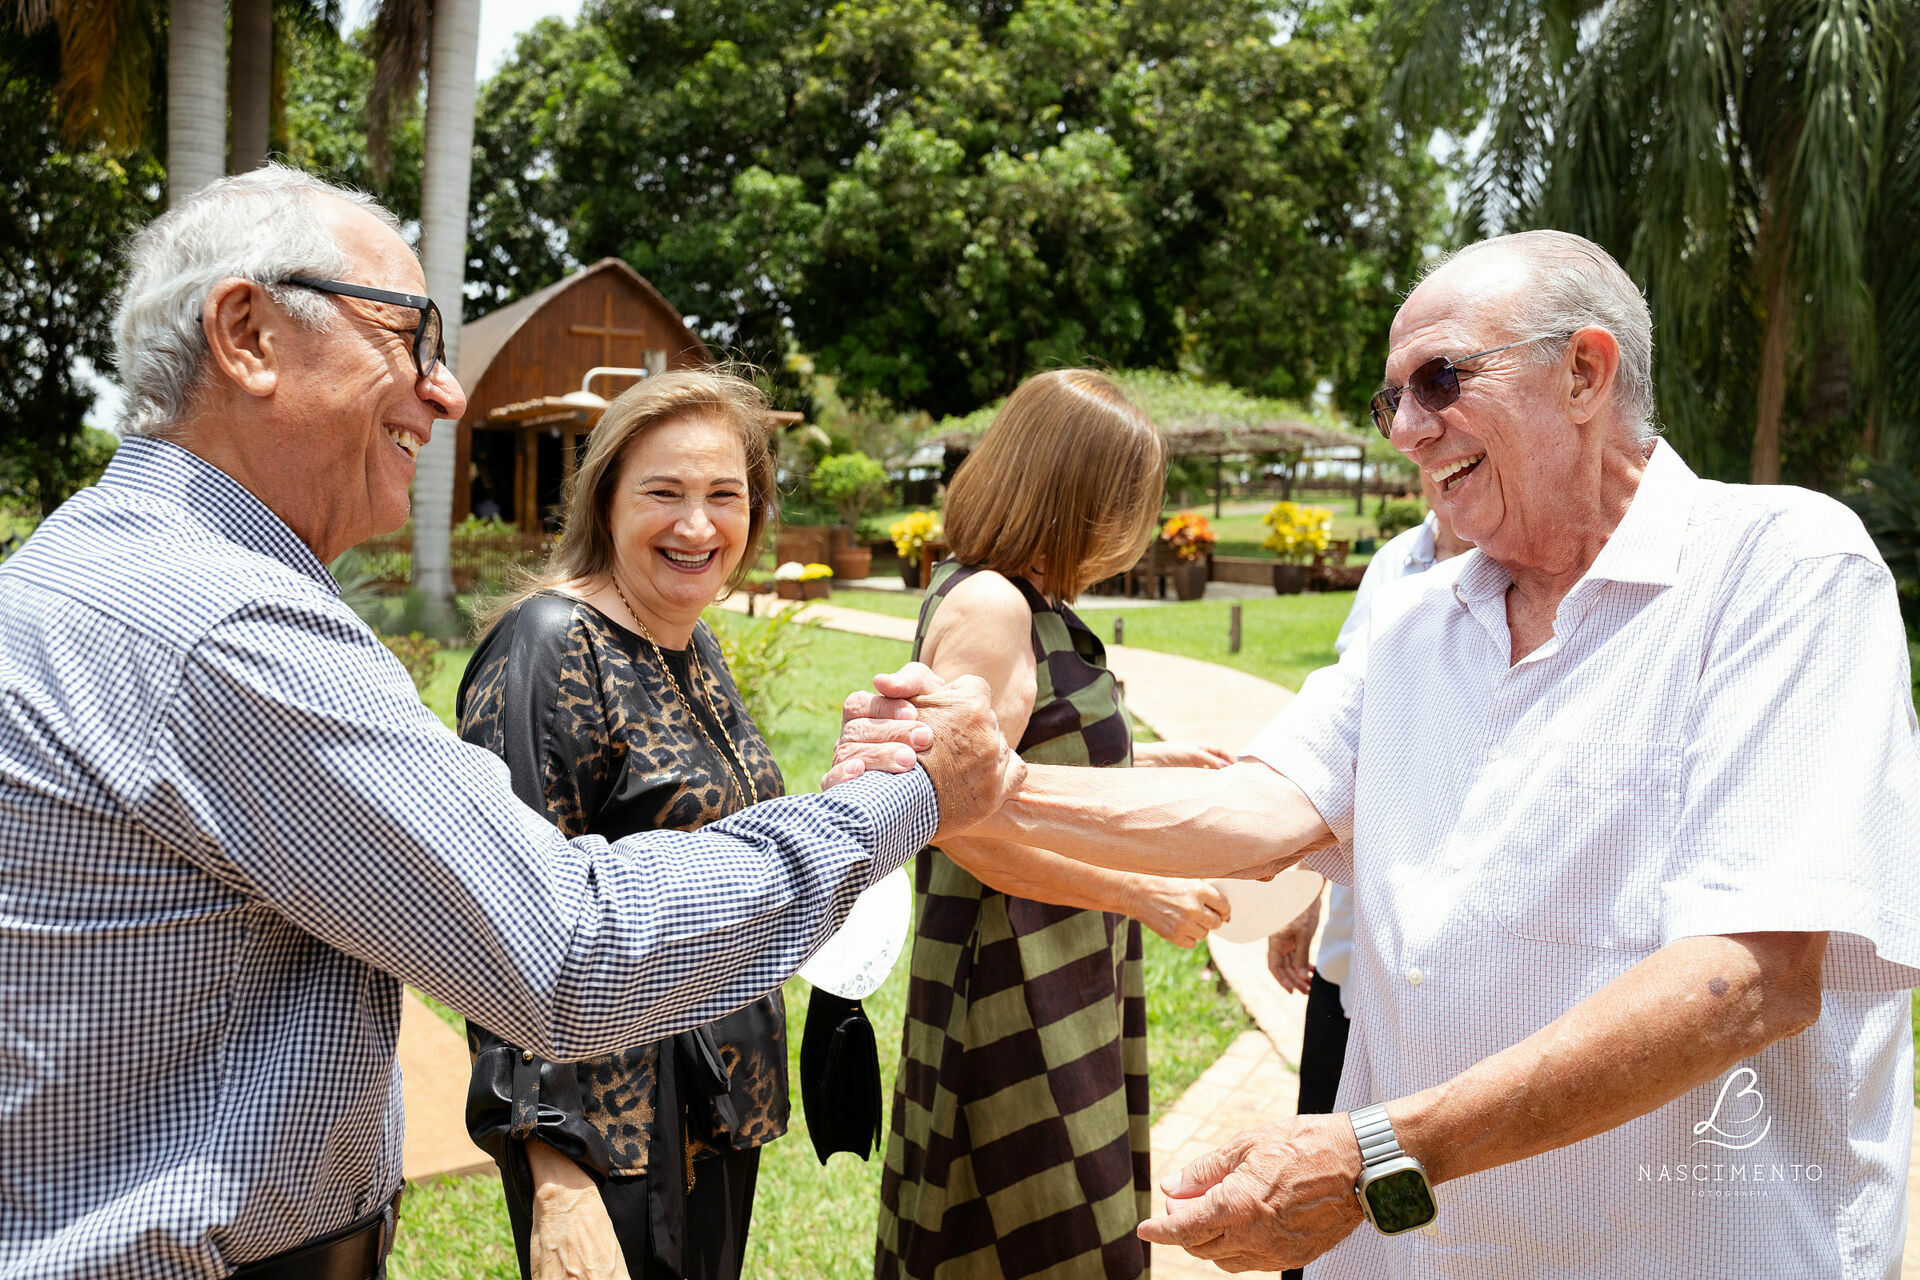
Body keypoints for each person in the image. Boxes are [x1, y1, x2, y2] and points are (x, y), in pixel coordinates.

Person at [0, 165, 1017, 1280]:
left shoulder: (89, 566)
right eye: (411, 335)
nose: (445, 393)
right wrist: (912, 795)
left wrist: (845, 793)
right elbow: (564, 945)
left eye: (727, 495)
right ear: (247, 333)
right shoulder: (225, 623)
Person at [844, 230, 1920, 1277]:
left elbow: (1748, 980)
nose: (1406, 428)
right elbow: (1263, 808)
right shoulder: (1422, 620)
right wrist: (993, 784)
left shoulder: (1784, 571)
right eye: (1389, 398)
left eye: (1439, 379)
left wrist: (1373, 1152)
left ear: (1585, 372)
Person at [875, 369, 1234, 1280]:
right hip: (1008, 976)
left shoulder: (1031, 601)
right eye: (1129, 503)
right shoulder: (992, 607)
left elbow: (1019, 768)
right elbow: (961, 821)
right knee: (1035, 1234)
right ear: (1080, 499)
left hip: (1063, 956)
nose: (1136, 528)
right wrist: (1138, 889)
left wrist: (1156, 760)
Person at [457, 369, 794, 1280]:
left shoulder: (689, 636)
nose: (697, 526)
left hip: (717, 1101)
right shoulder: (549, 644)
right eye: (664, 493)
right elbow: (504, 919)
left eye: (725, 495)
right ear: (605, 499)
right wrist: (556, 1178)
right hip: (612, 1134)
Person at [1267, 470, 1469, 1280]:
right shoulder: (1394, 566)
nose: (1423, 435)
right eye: (1401, 403)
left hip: (1454, 964)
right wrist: (1301, 899)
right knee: (1323, 1151)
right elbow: (1337, 757)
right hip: (1355, 954)